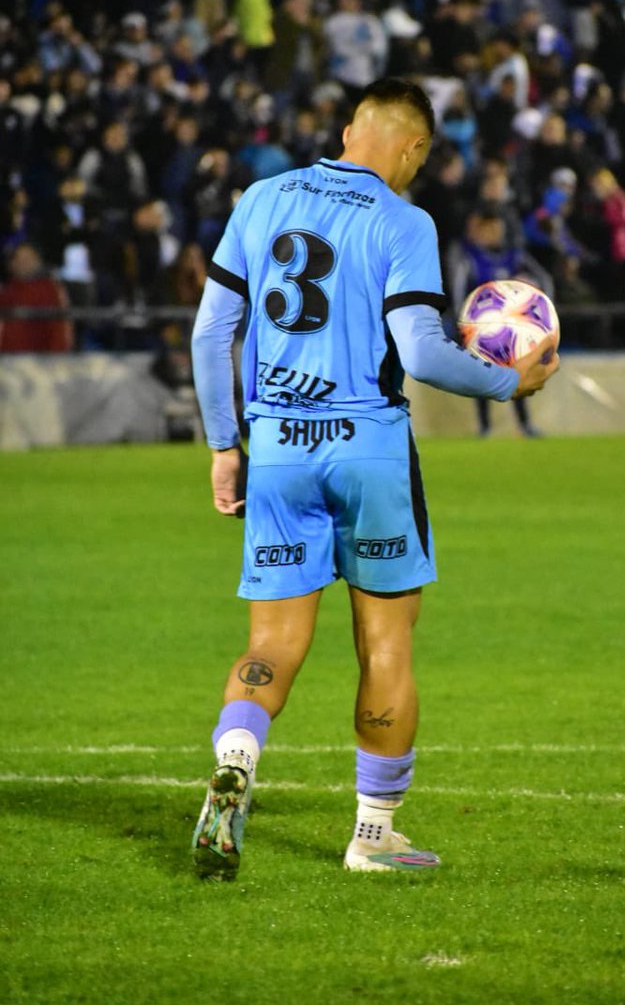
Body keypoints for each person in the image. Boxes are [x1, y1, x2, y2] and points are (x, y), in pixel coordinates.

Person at [189, 77, 559, 880]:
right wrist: (510, 383)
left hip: (278, 445)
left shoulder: (260, 197)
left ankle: (239, 755)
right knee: (384, 640)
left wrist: (226, 444)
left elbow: (212, 327)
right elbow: (423, 353)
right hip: (369, 447)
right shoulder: (403, 220)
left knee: (271, 643)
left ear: (351, 128)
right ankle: (374, 833)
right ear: (413, 148)